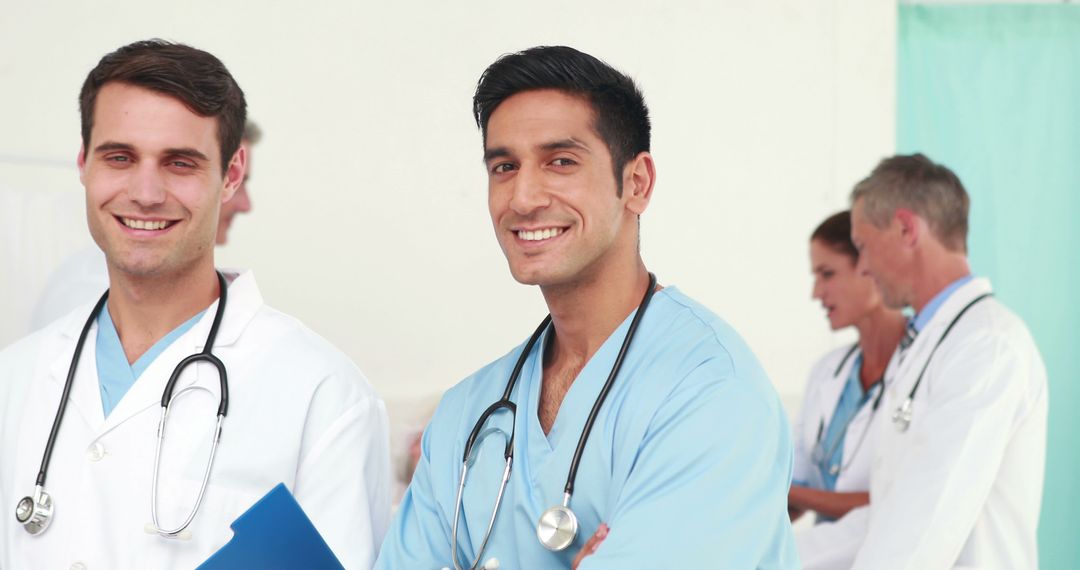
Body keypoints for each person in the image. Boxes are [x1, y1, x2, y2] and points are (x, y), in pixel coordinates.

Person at [376, 46, 798, 570]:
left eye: (561, 161)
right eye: (504, 166)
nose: (524, 197)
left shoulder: (711, 393)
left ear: (636, 184)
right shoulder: (466, 416)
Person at [0, 40, 390, 569]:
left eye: (179, 163)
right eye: (119, 157)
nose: (144, 191)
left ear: (231, 174)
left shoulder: (325, 397)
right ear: (84, 165)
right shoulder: (15, 377)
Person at [798, 154, 1048, 569]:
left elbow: (924, 527)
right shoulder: (927, 346)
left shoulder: (987, 346)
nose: (862, 267)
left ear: (905, 229)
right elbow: (887, 515)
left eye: (862, 247)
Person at [27, 120, 262, 332]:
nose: (147, 195)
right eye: (122, 159)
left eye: (180, 164)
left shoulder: (270, 342)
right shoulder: (82, 295)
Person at [789, 212, 905, 526]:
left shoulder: (923, 366)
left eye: (827, 274)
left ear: (870, 267)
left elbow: (898, 501)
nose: (816, 293)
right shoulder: (827, 371)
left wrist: (787, 493)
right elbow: (799, 482)